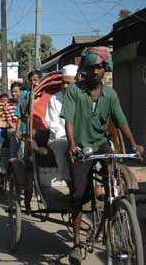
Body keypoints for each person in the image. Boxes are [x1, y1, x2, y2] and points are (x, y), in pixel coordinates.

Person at [60, 47, 144, 264]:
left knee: (113, 183)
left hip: (101, 145)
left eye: (100, 67)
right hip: (80, 146)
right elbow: (68, 119)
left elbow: (121, 120)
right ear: (85, 70)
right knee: (79, 194)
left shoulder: (110, 94)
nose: (96, 71)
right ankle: (76, 243)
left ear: (105, 69)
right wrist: (71, 145)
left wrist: (134, 144)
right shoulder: (74, 91)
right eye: (92, 67)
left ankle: (112, 213)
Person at [14, 70, 42, 214]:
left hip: (42, 134)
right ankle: (26, 200)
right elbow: (19, 114)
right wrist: (18, 130)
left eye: (36, 80)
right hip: (26, 133)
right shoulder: (25, 96)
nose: (34, 82)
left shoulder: (43, 95)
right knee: (26, 166)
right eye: (32, 80)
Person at [45, 64, 78, 188]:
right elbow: (53, 123)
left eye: (69, 83)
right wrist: (70, 139)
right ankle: (70, 184)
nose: (65, 86)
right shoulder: (54, 99)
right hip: (60, 137)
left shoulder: (84, 97)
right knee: (63, 146)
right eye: (63, 83)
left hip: (82, 137)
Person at [2, 82, 22, 158]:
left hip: (26, 127)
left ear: (21, 92)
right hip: (13, 128)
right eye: (12, 92)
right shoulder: (7, 104)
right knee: (14, 133)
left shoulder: (27, 102)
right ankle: (14, 159)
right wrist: (17, 130)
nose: (13, 94)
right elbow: (10, 121)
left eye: (16, 92)